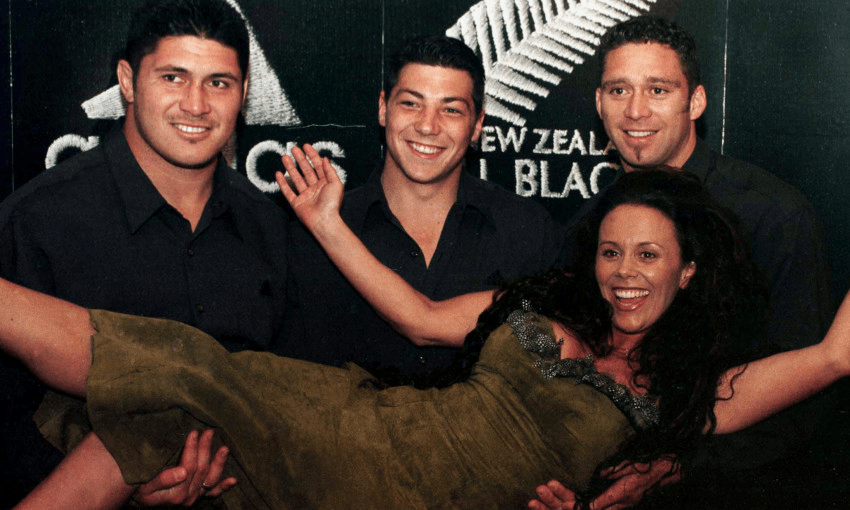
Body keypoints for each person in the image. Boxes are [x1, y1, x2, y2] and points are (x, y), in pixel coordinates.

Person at [3, 169, 850, 510]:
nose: (625, 273)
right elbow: (413, 315)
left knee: (161, 395)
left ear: (688, 273)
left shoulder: (686, 395)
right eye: (611, 251)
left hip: (407, 498)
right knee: (170, 384)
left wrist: (658, 466)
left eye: (650, 256)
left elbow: (831, 356)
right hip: (347, 424)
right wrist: (330, 224)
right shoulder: (541, 305)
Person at [531, 16, 833, 510]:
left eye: (658, 89)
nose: (635, 111)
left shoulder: (772, 215)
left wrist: (676, 465)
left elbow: (810, 397)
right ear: (598, 104)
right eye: (618, 90)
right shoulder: (588, 227)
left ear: (695, 101)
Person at [0, 0, 287, 506]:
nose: (196, 105)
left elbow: (278, 400)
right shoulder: (37, 221)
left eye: (218, 83)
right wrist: (128, 485)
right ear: (128, 82)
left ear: (243, 94)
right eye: (174, 77)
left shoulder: (266, 225)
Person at [280, 36, 566, 387]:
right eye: (412, 104)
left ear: (477, 124)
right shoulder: (310, 235)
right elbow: (292, 382)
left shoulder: (529, 232)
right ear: (383, 108)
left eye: (451, 109)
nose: (428, 126)